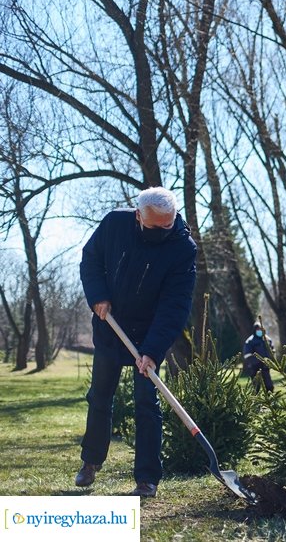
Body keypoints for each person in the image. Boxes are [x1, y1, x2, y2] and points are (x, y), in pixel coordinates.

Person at [76, 187, 197, 498]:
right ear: (138, 215)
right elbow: (91, 260)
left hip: (150, 333)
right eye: (155, 226)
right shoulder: (114, 224)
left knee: (147, 404)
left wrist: (153, 351)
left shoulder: (183, 248)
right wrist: (98, 296)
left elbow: (176, 305)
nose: (163, 231)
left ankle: (147, 480)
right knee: (100, 395)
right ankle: (91, 462)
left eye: (168, 225)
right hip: (111, 326)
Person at [243, 320, 275, 392]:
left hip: (266, 367)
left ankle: (270, 401)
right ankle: (256, 401)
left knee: (269, 386)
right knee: (256, 387)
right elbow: (247, 355)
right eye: (258, 330)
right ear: (255, 330)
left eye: (261, 329)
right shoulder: (250, 341)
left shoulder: (267, 339)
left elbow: (272, 350)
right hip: (255, 368)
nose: (259, 331)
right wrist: (258, 361)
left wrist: (269, 361)